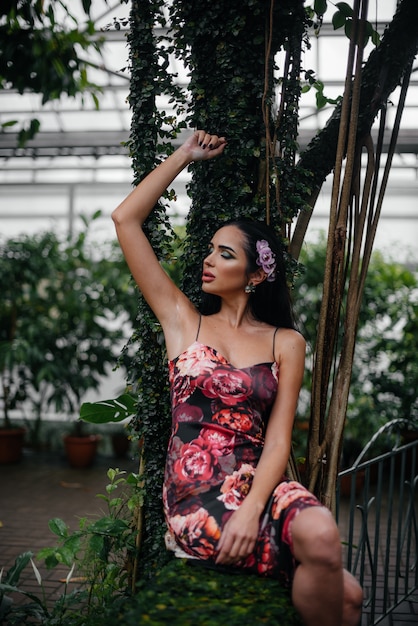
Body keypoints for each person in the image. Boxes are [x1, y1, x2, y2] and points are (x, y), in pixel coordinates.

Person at [112, 130, 363, 626]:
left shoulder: (285, 343)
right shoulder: (183, 322)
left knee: (326, 544)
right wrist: (184, 154)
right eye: (210, 250)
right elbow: (126, 219)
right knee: (348, 595)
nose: (208, 259)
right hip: (197, 493)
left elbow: (278, 441)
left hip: (261, 484)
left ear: (254, 274)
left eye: (225, 253)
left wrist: (251, 509)